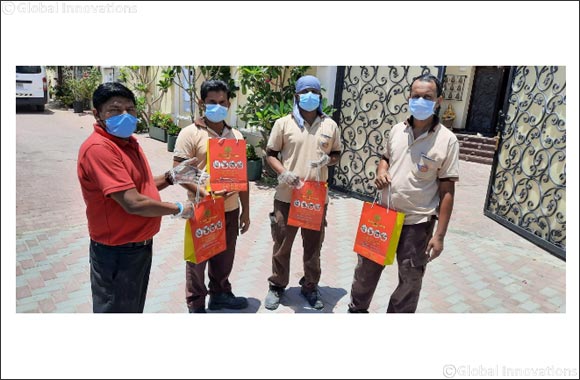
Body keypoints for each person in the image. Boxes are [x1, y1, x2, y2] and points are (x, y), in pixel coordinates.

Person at [78, 82, 206, 313]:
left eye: (131, 109)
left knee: (133, 308)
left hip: (138, 248)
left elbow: (138, 187)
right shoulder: (99, 149)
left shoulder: (128, 143)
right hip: (117, 252)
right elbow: (132, 202)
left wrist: (171, 177)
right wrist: (178, 207)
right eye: (115, 110)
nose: (125, 116)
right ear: (96, 114)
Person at [348, 74, 460, 313]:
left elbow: (447, 189)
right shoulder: (397, 130)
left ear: (438, 100)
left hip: (417, 223)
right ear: (409, 98)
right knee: (366, 270)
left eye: (427, 97)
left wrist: (439, 236)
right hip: (383, 216)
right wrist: (381, 171)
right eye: (416, 96)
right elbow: (385, 158)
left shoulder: (448, 141)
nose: (420, 100)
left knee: (410, 279)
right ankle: (357, 310)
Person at [264, 75, 343, 310]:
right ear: (297, 96)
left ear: (320, 96)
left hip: (315, 198)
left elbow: (337, 154)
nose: (310, 96)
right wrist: (283, 172)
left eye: (314, 92)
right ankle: (277, 285)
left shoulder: (330, 125)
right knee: (282, 244)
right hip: (288, 196)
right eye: (305, 91)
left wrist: (327, 161)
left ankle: (310, 285)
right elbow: (270, 153)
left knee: (313, 246)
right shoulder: (283, 124)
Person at [173, 79, 250, 313]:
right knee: (197, 260)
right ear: (202, 103)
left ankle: (220, 294)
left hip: (229, 208)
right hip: (202, 207)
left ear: (229, 103)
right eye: (211, 102)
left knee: (224, 258)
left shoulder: (235, 135)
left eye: (222, 102)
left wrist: (246, 210)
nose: (218, 106)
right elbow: (179, 172)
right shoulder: (190, 134)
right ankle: (196, 304)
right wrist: (206, 193)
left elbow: (243, 176)